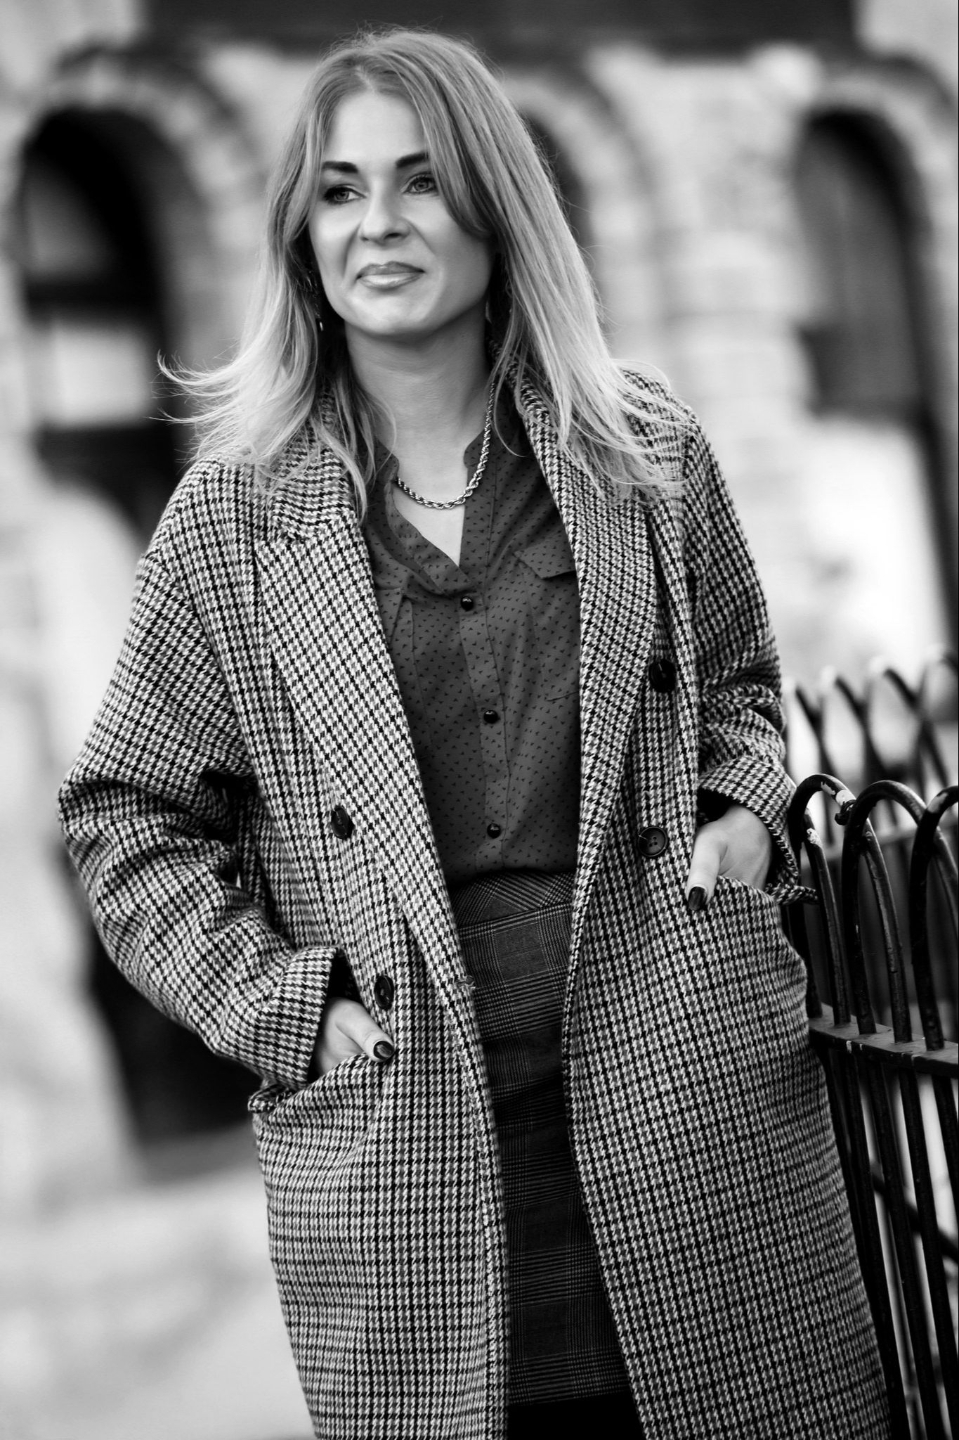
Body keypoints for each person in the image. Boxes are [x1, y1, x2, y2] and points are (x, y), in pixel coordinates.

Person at [59, 27, 890, 1440]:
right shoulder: (230, 520)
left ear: (497, 210)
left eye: (421, 181)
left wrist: (744, 815)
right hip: (408, 1156)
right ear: (300, 234)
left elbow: (745, 688)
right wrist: (289, 1010)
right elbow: (125, 819)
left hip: (690, 1108)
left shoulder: (641, 447)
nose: (376, 223)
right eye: (339, 190)